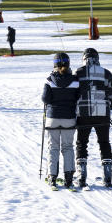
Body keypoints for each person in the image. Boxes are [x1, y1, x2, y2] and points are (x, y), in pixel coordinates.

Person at [74, 47, 112, 187]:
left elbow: (73, 93)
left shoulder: (78, 73)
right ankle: (108, 175)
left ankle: (82, 175)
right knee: (104, 142)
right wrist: (109, 107)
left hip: (83, 113)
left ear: (84, 59)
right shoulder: (106, 73)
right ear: (97, 59)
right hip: (103, 114)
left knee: (82, 143)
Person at [41, 52, 79, 189]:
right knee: (68, 147)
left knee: (53, 147)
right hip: (69, 118)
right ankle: (69, 178)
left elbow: (45, 99)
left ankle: (52, 177)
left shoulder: (49, 80)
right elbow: (77, 97)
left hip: (53, 118)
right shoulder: (75, 80)